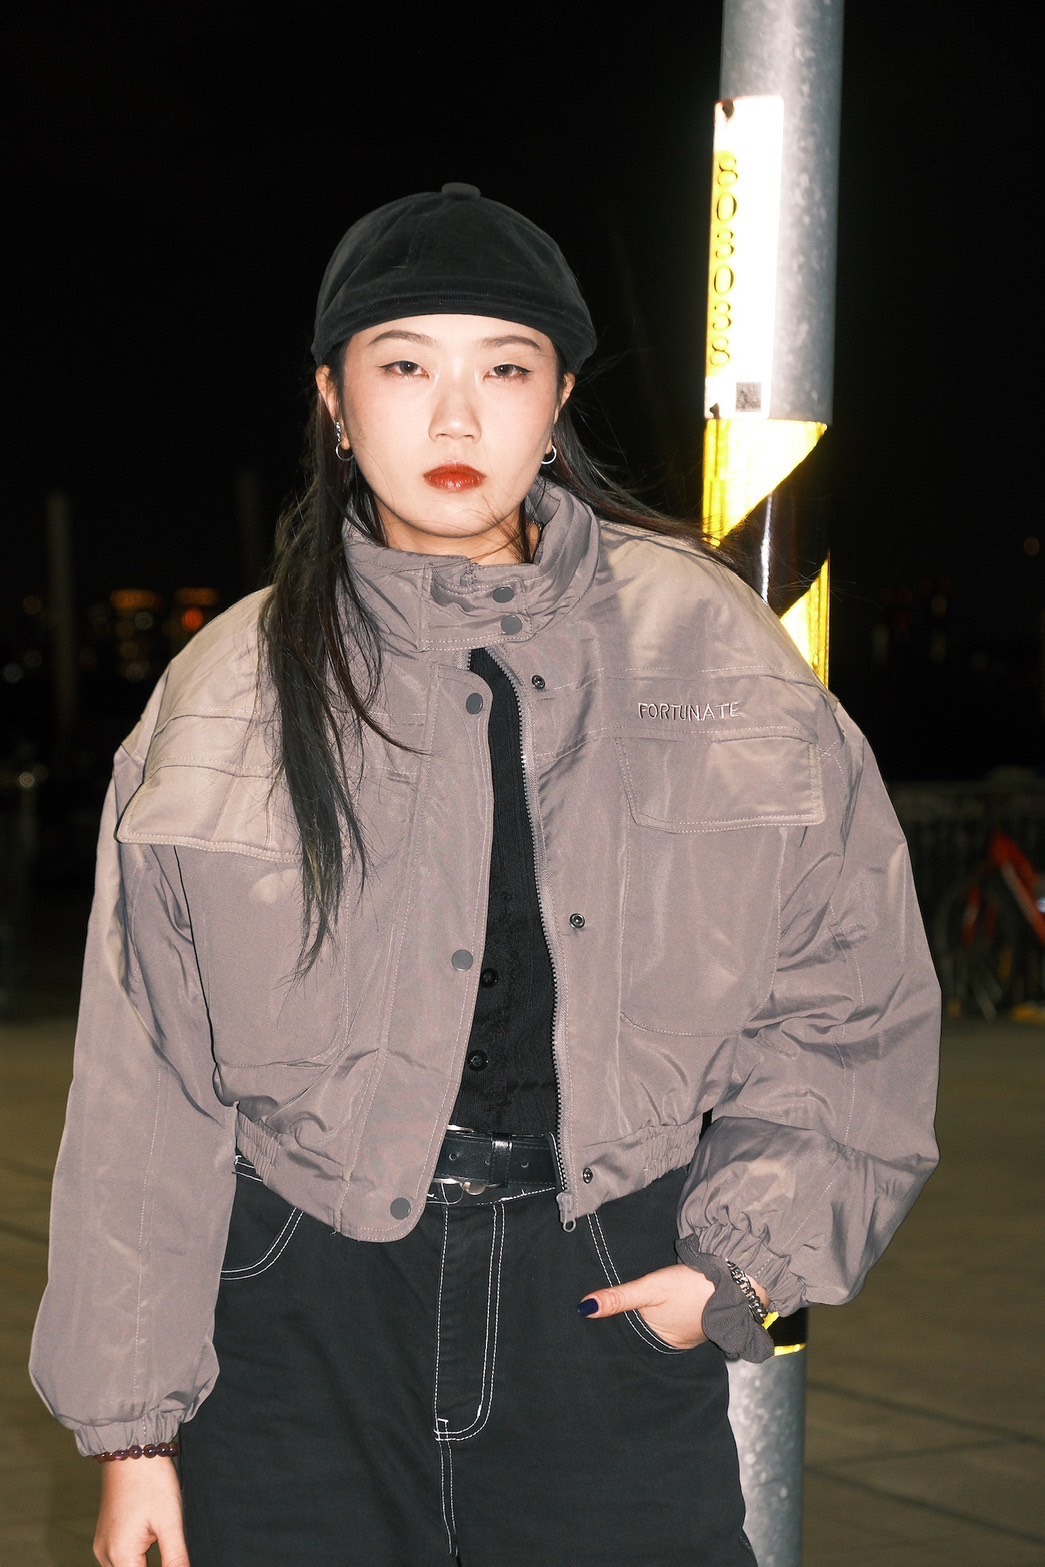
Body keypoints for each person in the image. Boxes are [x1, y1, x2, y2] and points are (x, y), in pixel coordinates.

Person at [30, 183, 941, 1567]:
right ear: (334, 401)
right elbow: (146, 1085)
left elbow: (848, 991)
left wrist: (737, 1261)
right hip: (293, 1330)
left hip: (603, 1294)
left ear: (557, 398)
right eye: (405, 367)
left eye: (504, 370)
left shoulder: (707, 648)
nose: (455, 420)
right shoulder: (227, 689)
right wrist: (132, 1433)